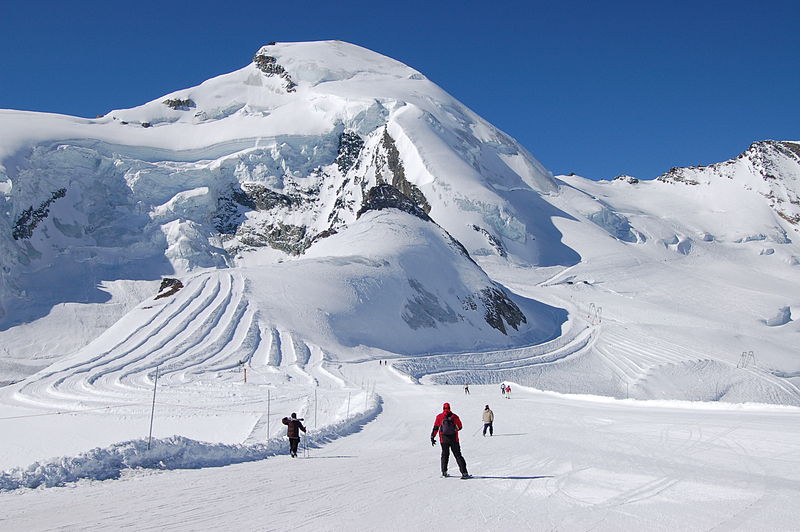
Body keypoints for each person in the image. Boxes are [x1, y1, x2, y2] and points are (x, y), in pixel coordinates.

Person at [430, 402, 471, 479]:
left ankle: (444, 472)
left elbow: (436, 427)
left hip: (443, 440)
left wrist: (432, 436)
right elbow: (460, 426)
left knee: (445, 455)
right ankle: (464, 473)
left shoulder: (439, 417)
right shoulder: (455, 417)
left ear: (443, 408)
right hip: (454, 439)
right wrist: (455, 429)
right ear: (450, 408)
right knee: (458, 455)